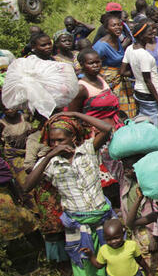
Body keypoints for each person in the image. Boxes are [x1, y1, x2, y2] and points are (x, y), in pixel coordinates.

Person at [24, 113, 114, 276]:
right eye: (52, 141)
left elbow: (107, 128)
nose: (56, 144)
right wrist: (49, 155)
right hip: (77, 224)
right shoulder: (50, 163)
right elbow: (27, 186)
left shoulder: (87, 150)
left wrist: (73, 114)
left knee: (111, 263)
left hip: (102, 219)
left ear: (73, 137)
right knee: (83, 267)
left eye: (60, 140)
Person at [121, 21, 158, 129]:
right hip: (149, 94)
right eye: (149, 34)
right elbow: (148, 81)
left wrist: (136, 71)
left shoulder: (130, 49)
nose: (153, 35)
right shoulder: (144, 55)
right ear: (141, 36)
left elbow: (122, 72)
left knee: (143, 119)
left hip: (138, 91)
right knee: (153, 122)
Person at [82, 219, 151, 276]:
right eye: (109, 239)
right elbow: (99, 265)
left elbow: (140, 259)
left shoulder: (131, 245)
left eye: (116, 238)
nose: (113, 242)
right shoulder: (103, 250)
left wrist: (148, 271)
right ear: (104, 238)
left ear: (123, 233)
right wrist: (90, 255)